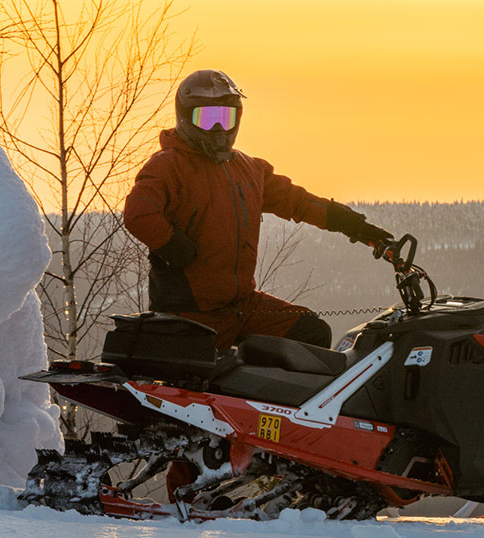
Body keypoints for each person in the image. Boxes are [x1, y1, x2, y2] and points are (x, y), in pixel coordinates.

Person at [123, 69, 394, 348]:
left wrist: (357, 226)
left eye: (226, 118)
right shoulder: (169, 164)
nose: (219, 129)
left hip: (242, 307)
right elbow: (138, 213)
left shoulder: (247, 169)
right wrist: (172, 245)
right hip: (189, 314)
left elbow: (298, 201)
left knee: (311, 332)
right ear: (186, 118)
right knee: (207, 374)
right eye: (207, 119)